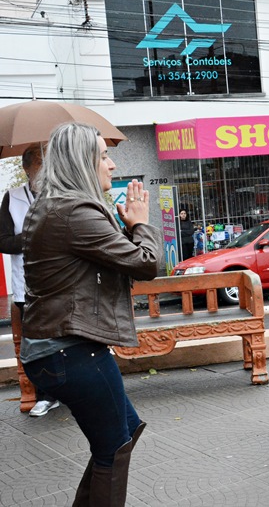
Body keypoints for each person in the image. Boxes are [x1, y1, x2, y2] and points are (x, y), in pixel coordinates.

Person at [20, 122, 161, 505]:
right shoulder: (73, 212)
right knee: (113, 447)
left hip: (58, 350)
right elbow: (146, 264)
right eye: (102, 155)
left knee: (124, 433)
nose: (112, 165)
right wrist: (141, 222)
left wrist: (123, 225)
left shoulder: (53, 206)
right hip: (70, 351)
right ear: (83, 161)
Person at [0, 146, 61, 417]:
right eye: (38, 163)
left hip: (61, 282)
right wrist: (31, 236)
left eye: (46, 162)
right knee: (35, 344)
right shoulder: (11, 198)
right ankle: (44, 396)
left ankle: (69, 391)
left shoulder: (61, 193)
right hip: (27, 286)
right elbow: (3, 241)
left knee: (65, 340)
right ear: (26, 168)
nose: (42, 167)